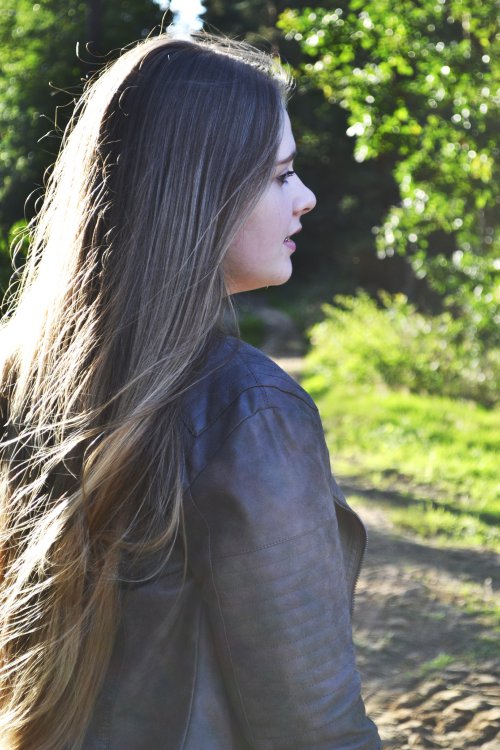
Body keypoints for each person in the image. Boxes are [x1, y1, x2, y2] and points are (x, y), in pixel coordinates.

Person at [0, 33, 381, 750]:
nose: (306, 199)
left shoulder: (24, 383)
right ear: (200, 191)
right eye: (280, 176)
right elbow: (315, 728)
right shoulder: (251, 413)